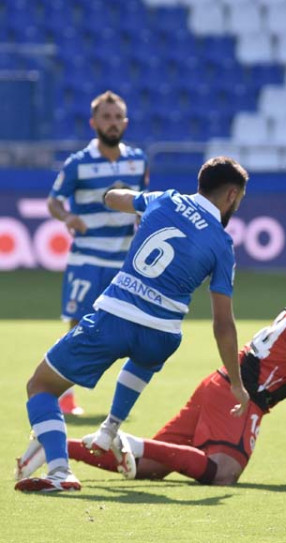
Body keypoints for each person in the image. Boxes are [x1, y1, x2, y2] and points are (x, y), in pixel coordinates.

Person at [15, 267, 286, 486]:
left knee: (147, 470)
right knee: (222, 473)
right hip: (240, 396)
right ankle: (131, 441)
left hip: (220, 383)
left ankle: (54, 445)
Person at [14, 157, 251, 493]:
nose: (236, 206)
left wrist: (120, 196)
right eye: (239, 201)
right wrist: (237, 384)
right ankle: (109, 429)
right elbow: (223, 324)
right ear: (230, 195)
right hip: (164, 335)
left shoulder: (165, 199)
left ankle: (59, 471)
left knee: (40, 386)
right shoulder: (223, 245)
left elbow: (114, 198)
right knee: (145, 355)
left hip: (117, 316)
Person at [48, 90, 149, 416]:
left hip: (123, 259)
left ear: (126, 122)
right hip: (87, 257)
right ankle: (65, 397)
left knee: (134, 326)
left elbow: (141, 203)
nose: (113, 123)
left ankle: (121, 400)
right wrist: (67, 217)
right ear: (94, 122)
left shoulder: (138, 160)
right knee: (78, 325)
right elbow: (54, 200)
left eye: (118, 117)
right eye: (106, 117)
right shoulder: (78, 163)